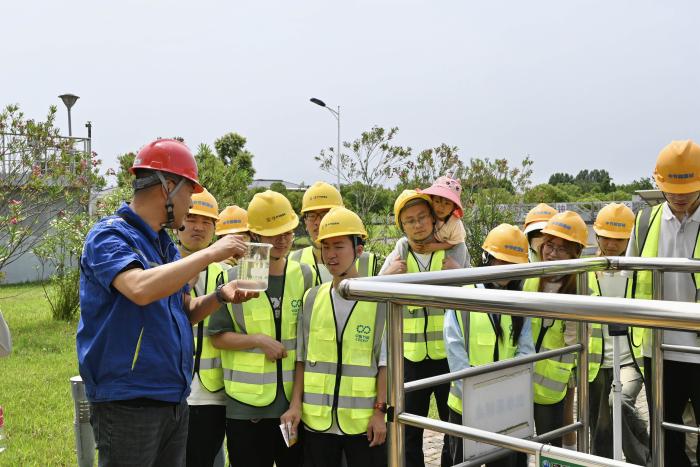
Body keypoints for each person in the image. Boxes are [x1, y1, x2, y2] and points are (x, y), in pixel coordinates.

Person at [77, 139, 256, 466]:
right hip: (129, 401)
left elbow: (184, 312)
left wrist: (220, 296)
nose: (191, 205)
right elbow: (139, 288)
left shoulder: (164, 247)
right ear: (168, 187)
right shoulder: (109, 236)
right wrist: (211, 253)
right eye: (190, 194)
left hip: (172, 399)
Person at [208, 190, 313, 467]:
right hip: (246, 409)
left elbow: (307, 346)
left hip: (292, 407)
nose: (282, 240)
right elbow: (217, 337)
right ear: (254, 235)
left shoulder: (304, 275)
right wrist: (257, 340)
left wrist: (297, 403)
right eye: (273, 234)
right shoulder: (233, 278)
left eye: (287, 232)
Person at [282, 207, 388, 467]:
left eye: (339, 246)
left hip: (362, 423)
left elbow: (385, 363)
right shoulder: (312, 298)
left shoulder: (379, 301)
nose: (331, 254)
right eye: (325, 247)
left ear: (358, 250)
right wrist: (295, 405)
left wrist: (380, 413)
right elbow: (301, 359)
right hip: (317, 422)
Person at [379, 190, 468, 467]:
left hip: (449, 357)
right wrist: (388, 276)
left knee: (454, 427)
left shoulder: (454, 250)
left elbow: (473, 291)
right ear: (402, 226)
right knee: (408, 430)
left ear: (432, 218)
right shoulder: (400, 252)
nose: (417, 225)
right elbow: (372, 290)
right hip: (410, 358)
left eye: (422, 217)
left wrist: (458, 275)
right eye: (410, 221)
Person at [626, 139, 700, 466]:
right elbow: (630, 277)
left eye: (689, 189)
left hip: (698, 349)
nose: (680, 197)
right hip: (658, 348)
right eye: (671, 189)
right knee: (665, 434)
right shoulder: (644, 224)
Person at [444, 224, 533, 467]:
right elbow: (455, 351)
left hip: (504, 406)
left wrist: (502, 394)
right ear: (486, 258)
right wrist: (476, 395)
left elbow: (526, 352)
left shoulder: (520, 302)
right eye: (500, 260)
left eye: (512, 263)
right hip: (465, 405)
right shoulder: (464, 296)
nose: (505, 268)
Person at [586, 203, 649, 465]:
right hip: (596, 363)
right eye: (606, 238)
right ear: (596, 236)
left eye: (619, 239)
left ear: (630, 239)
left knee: (619, 402)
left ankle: (645, 456)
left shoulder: (639, 271)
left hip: (630, 360)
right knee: (600, 430)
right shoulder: (586, 270)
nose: (611, 245)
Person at [523, 211, 588, 448]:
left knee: (551, 444)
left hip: (552, 381)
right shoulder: (530, 277)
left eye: (562, 249)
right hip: (522, 374)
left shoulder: (579, 288)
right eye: (549, 245)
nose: (552, 253)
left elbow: (575, 342)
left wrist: (565, 374)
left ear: (575, 253)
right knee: (518, 441)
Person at [176, 188, 229, 467]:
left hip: (212, 394)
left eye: (206, 221)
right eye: (192, 219)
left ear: (215, 229)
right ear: (178, 222)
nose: (198, 227)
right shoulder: (159, 268)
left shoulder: (227, 275)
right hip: (170, 390)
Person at [290, 181, 377, 284]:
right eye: (312, 216)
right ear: (305, 222)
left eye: (326, 214)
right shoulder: (293, 260)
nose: (318, 222)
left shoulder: (367, 262)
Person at [418, 175, 467, 253]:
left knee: (461, 247)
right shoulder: (429, 214)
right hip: (437, 247)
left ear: (454, 207)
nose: (441, 207)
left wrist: (436, 246)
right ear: (431, 201)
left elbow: (454, 242)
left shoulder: (455, 223)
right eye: (437, 201)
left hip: (454, 249)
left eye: (447, 203)